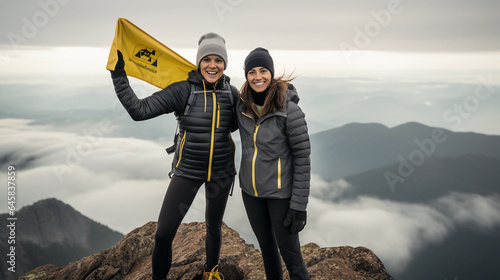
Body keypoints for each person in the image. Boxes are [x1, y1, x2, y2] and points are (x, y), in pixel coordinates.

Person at [109, 32, 238, 280]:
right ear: (199, 62)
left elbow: (242, 121)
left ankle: (211, 272)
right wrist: (118, 76)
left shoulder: (231, 93)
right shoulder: (183, 91)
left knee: (214, 227)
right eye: (207, 59)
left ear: (225, 64)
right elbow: (140, 110)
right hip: (188, 171)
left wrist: (285, 97)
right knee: (163, 234)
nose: (213, 65)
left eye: (218, 60)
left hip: (221, 173)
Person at [236, 47, 311, 280]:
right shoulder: (241, 106)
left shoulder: (290, 110)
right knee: (267, 252)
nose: (257, 77)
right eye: (252, 72)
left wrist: (299, 205)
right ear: (246, 76)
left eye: (263, 70)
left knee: (291, 257)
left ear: (272, 73)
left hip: (281, 196)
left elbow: (302, 158)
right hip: (251, 193)